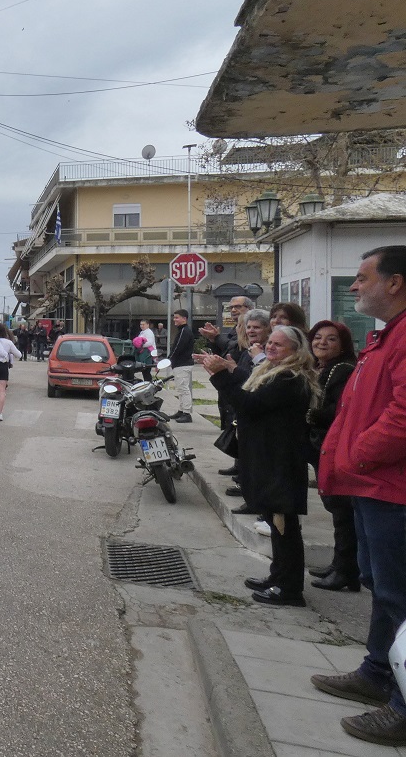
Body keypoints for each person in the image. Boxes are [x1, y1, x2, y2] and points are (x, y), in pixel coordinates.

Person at [311, 246, 406, 747]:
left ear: (394, 282)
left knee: (400, 594)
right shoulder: (387, 336)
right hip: (373, 486)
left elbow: (402, 417)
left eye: (363, 277)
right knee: (381, 586)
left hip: (392, 488)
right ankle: (377, 672)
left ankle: (402, 706)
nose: (353, 287)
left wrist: (356, 456)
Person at [199, 325, 317, 606]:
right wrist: (231, 370)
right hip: (270, 456)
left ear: (295, 350)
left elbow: (249, 403)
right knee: (276, 522)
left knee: (284, 523)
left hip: (280, 460)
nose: (271, 348)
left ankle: (289, 589)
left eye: (279, 344)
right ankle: (278, 575)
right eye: (270, 343)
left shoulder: (289, 377)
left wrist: (219, 376)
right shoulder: (276, 372)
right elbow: (254, 390)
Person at [304, 320, 358, 592]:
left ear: (343, 345)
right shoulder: (323, 368)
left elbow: (336, 411)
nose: (322, 342)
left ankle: (346, 570)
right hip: (322, 445)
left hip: (333, 446)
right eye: (317, 337)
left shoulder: (341, 370)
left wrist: (307, 415)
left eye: (331, 339)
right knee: (336, 509)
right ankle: (340, 564)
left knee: (341, 509)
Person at [200, 296, 254, 475]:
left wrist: (217, 338)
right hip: (232, 385)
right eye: (231, 308)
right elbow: (227, 351)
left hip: (242, 385)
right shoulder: (233, 329)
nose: (233, 310)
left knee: (240, 426)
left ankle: (243, 471)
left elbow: (236, 348)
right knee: (233, 422)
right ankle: (239, 466)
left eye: (238, 307)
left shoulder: (250, 331)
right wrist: (214, 344)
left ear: (249, 308)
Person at [167, 310, 196, 422]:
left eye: (177, 317)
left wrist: (169, 359)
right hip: (180, 364)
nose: (174, 320)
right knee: (180, 389)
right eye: (174, 317)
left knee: (183, 389)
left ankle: (187, 413)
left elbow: (178, 347)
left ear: (184, 319)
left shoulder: (184, 331)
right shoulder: (183, 330)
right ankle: (181, 410)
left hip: (182, 364)